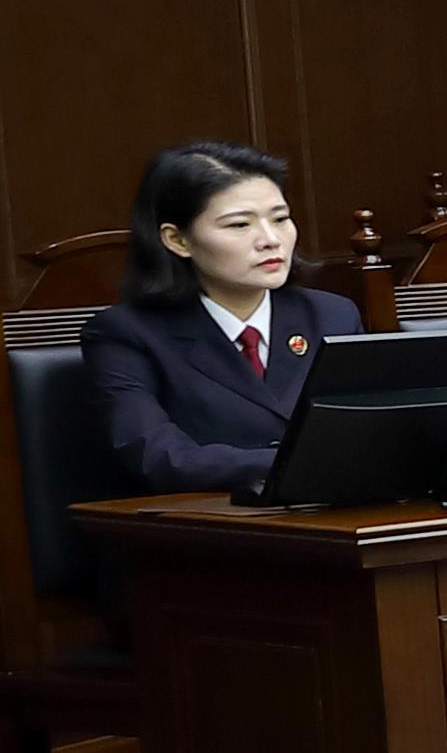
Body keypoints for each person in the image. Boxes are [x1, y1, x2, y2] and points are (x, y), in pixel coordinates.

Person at [77, 140, 360, 497]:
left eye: (280, 219)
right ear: (178, 240)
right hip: (208, 520)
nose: (270, 240)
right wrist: (296, 462)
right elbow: (158, 457)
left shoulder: (332, 315)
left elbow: (370, 427)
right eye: (240, 225)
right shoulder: (126, 333)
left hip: (333, 512)